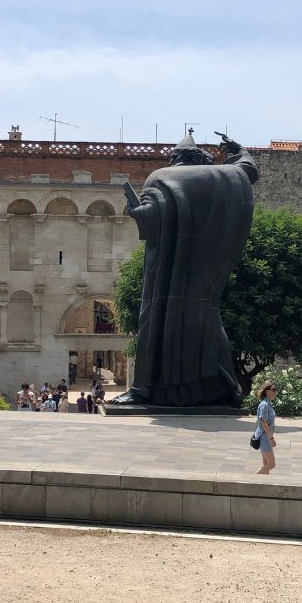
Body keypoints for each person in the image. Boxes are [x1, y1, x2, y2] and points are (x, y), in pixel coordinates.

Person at [112, 132, 258, 407]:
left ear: (176, 157)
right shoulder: (222, 177)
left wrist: (137, 212)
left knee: (152, 322)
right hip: (203, 273)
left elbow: (150, 221)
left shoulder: (161, 176)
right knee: (206, 321)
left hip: (166, 275)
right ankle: (223, 388)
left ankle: (144, 389)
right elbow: (248, 171)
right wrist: (239, 149)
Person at [254, 382, 278, 475]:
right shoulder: (264, 405)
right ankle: (251, 480)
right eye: (273, 390)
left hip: (264, 436)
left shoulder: (268, 403)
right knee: (271, 464)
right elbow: (263, 422)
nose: (275, 392)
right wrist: (271, 438)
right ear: (267, 391)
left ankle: (261, 485)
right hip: (265, 437)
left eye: (276, 390)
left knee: (266, 464)